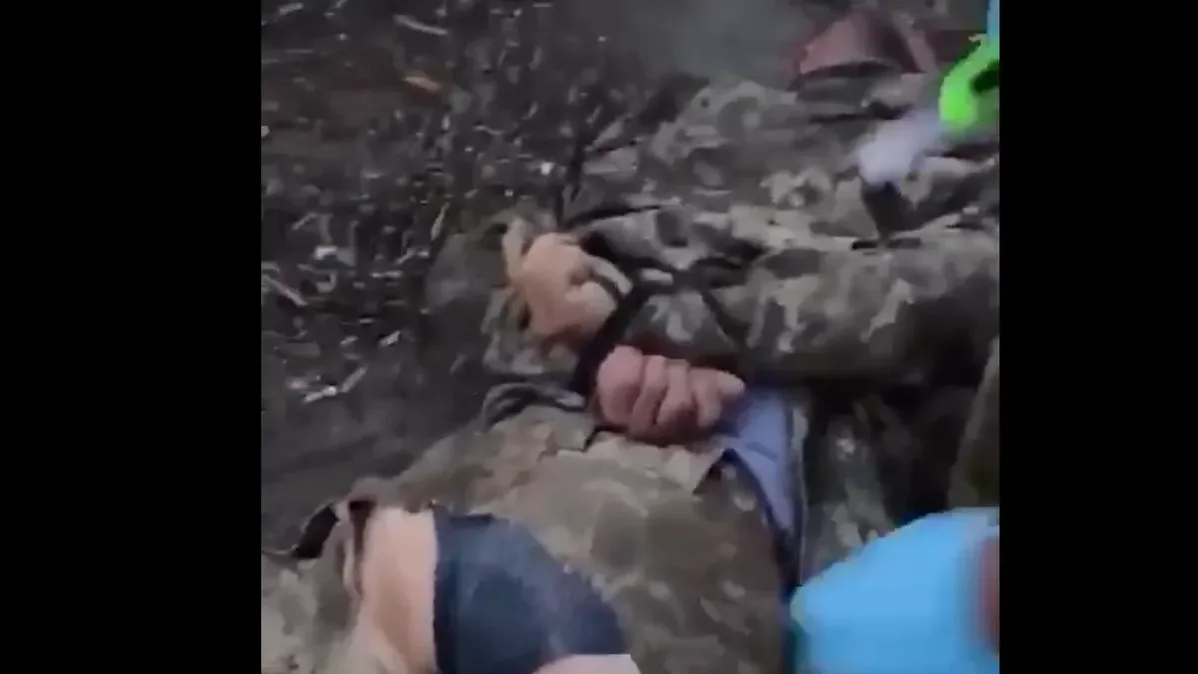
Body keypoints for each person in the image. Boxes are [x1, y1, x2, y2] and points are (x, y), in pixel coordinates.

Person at [260, 9, 997, 674]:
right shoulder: (680, 119)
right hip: (514, 449)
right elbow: (481, 266)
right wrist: (576, 343)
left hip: (713, 480)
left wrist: (638, 322)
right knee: (323, 608)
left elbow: (928, 292)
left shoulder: (967, 158)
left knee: (557, 593)